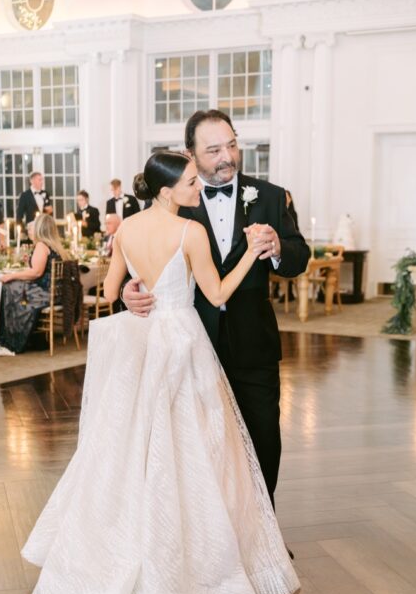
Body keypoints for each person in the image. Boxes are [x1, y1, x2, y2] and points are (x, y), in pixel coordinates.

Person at [21, 151, 300, 594]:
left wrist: (135, 288)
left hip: (145, 340)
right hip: (184, 339)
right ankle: (190, 551)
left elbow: (110, 294)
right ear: (168, 190)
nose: (198, 188)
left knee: (136, 442)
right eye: (192, 182)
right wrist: (252, 255)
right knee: (198, 442)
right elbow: (215, 294)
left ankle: (131, 540)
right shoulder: (190, 231)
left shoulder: (126, 229)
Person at [123, 110, 310, 507]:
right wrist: (130, 291)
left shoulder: (272, 196)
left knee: (263, 438)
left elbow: (299, 256)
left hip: (254, 342)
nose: (227, 156)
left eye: (231, 144)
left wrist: (278, 247)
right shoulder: (174, 200)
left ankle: (265, 541)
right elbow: (139, 261)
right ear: (190, 154)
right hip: (190, 346)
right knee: (197, 446)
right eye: (213, 150)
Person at [0, 214, 73, 356]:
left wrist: (12, 275)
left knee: (10, 288)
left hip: (45, 294)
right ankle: (28, 335)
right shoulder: (57, 246)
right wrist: (30, 260)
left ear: (40, 228)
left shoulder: (41, 245)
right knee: (15, 287)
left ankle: (13, 338)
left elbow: (36, 273)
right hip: (57, 293)